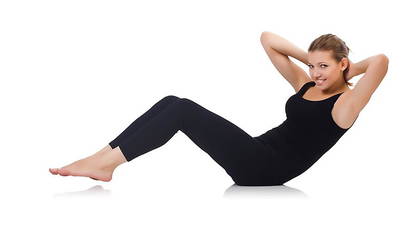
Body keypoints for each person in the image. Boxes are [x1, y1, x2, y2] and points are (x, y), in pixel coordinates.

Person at [49, 32, 389, 186]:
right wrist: (316, 62)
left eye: (323, 68)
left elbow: (381, 61)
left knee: (183, 111)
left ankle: (107, 166)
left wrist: (345, 70)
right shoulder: (308, 84)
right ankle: (101, 158)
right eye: (313, 67)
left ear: (343, 64)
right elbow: (268, 38)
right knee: (172, 102)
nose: (315, 74)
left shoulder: (346, 104)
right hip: (259, 150)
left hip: (266, 171)